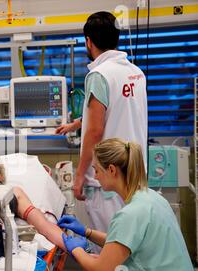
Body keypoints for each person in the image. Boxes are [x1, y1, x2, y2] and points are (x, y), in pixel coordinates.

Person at [21, 138, 198, 271]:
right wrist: (87, 232)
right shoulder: (151, 197)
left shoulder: (131, 214)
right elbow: (123, 242)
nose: (95, 176)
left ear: (112, 170)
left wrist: (75, 250)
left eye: (96, 170)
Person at [56, 11, 148, 234]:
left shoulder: (99, 75)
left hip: (107, 179)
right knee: (131, 242)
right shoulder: (135, 73)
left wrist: (79, 177)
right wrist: (77, 124)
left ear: (89, 42)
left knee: (110, 247)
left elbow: (96, 130)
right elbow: (115, 108)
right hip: (134, 173)